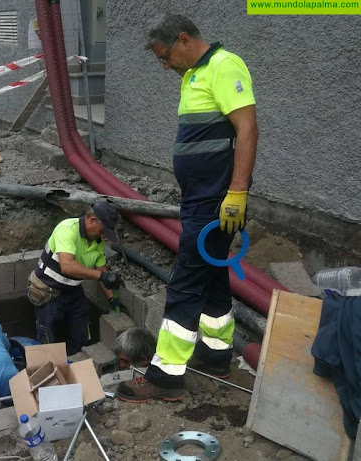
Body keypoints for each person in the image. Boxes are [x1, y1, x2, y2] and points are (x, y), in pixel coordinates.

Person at [117, 14, 258, 402]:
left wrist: (238, 193)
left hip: (217, 200)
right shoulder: (192, 75)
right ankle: (215, 354)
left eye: (165, 56)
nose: (165, 66)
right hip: (201, 198)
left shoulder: (223, 66)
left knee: (184, 281)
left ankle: (165, 377)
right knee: (211, 275)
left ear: (184, 40)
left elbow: (247, 127)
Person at [29, 202, 124, 355]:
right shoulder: (67, 230)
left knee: (81, 333)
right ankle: (52, 368)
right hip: (48, 291)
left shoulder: (96, 241)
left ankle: (78, 362)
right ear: (92, 220)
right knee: (49, 338)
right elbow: (67, 266)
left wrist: (113, 299)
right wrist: (102, 276)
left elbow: (102, 271)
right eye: (102, 230)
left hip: (72, 290)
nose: (103, 235)